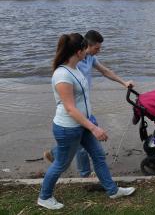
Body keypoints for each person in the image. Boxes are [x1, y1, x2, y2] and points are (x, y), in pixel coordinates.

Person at [38, 33, 135, 210]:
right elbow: (70, 108)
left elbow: (85, 95)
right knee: (61, 164)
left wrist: (90, 124)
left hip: (83, 123)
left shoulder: (75, 69)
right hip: (69, 127)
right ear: (79, 51)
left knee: (98, 156)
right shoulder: (62, 75)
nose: (88, 53)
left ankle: (112, 191)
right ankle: (44, 197)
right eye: (85, 49)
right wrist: (94, 128)